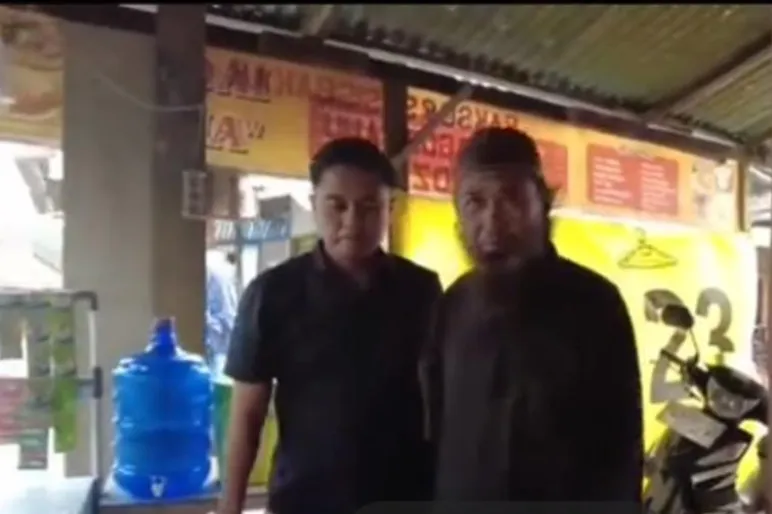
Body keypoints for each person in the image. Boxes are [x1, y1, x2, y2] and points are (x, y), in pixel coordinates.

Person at [217, 137, 443, 514]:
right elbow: (247, 413)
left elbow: (441, 400)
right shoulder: (272, 293)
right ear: (314, 204)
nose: (352, 222)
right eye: (337, 205)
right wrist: (230, 506)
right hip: (304, 499)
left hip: (404, 496)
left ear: (390, 208)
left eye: (369, 207)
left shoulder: (421, 290)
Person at [421, 127, 643, 504]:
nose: (492, 222)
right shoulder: (453, 304)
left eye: (511, 198)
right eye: (475, 202)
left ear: (543, 203)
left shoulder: (594, 305)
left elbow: (620, 455)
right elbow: (435, 435)